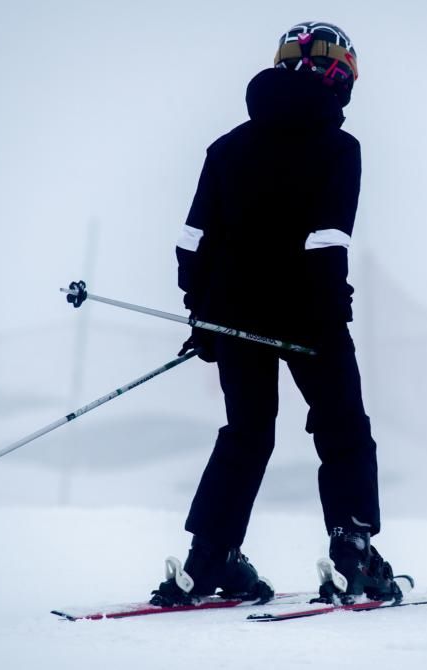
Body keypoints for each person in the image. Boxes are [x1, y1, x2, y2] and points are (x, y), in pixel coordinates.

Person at [150, 21, 400, 608]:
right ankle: (352, 552)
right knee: (343, 431)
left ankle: (209, 558)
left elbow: (192, 242)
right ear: (340, 79)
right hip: (308, 317)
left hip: (232, 314)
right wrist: (328, 309)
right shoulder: (339, 148)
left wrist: (202, 317)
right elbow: (328, 239)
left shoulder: (228, 145)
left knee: (247, 433)